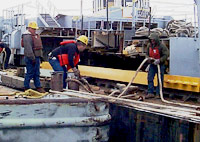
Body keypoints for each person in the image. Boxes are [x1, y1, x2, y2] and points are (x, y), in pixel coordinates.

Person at [21, 21, 45, 93]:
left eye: (35, 29)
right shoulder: (27, 36)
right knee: (30, 72)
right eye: (33, 29)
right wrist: (33, 58)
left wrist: (40, 57)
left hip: (36, 57)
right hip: (31, 58)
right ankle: (26, 87)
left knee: (36, 73)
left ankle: (38, 87)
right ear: (29, 28)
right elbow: (28, 48)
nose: (35, 30)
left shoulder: (35, 35)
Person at [146, 33, 169, 99]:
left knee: (160, 79)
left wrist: (160, 60)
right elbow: (147, 54)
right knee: (150, 78)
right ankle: (150, 92)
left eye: (153, 40)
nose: (152, 41)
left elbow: (166, 55)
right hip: (152, 64)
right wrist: (149, 59)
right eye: (151, 40)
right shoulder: (149, 46)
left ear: (156, 40)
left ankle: (158, 94)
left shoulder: (162, 46)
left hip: (160, 65)